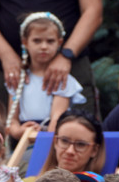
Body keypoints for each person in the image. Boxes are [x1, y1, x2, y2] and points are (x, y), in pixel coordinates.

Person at [7, 12, 85, 140]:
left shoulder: (62, 80)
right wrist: (18, 131)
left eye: (50, 41)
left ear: (59, 43)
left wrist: (44, 138)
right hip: (22, 141)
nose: (44, 47)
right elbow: (12, 120)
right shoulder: (18, 79)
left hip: (49, 139)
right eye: (37, 41)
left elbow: (56, 119)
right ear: (25, 42)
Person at [22, 109, 105, 182]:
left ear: (94, 150)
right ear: (55, 142)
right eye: (64, 141)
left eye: (81, 144)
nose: (70, 151)